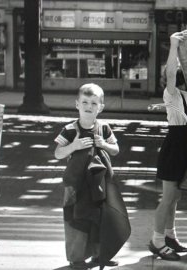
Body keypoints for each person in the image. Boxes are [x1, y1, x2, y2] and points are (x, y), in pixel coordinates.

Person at [54, 83, 122, 270]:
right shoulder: (70, 129)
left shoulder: (104, 128)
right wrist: (73, 146)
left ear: (100, 107)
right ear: (77, 104)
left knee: (102, 218)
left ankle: (101, 254)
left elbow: (116, 150)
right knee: (75, 219)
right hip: (76, 184)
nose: (88, 106)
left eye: (94, 103)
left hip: (100, 183)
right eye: (84, 101)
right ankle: (76, 259)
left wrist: (104, 145)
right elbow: (58, 153)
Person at [148, 32, 187, 261]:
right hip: (175, 146)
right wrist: (174, 45)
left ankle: (170, 236)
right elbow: (170, 71)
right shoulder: (173, 93)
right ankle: (157, 241)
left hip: (186, 146)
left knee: (175, 197)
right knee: (168, 198)